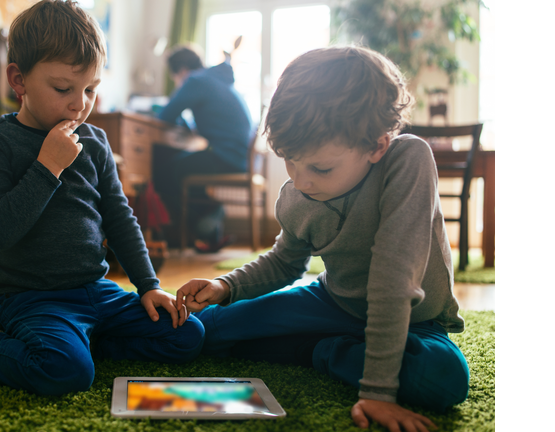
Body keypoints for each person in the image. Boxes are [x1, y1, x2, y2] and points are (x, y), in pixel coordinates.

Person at [175, 46, 470, 431]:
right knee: (206, 330)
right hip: (332, 302)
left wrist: (378, 392)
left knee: (443, 378)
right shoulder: (298, 193)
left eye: (320, 167)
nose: (300, 180)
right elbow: (285, 262)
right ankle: (114, 326)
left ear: (376, 146)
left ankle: (322, 350)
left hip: (417, 322)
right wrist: (225, 285)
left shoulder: (408, 159)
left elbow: (394, 278)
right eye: (288, 160)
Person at [0, 0, 204, 396]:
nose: (79, 104)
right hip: (33, 298)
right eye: (63, 88)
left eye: (90, 90)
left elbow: (119, 218)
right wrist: (48, 166)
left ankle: (89, 343)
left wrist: (148, 285)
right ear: (19, 80)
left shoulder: (96, 142)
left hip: (96, 291)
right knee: (64, 371)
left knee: (187, 334)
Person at [153, 45, 253, 252]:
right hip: (239, 157)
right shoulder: (217, 80)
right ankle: (208, 224)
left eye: (175, 79)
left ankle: (193, 230)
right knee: (185, 167)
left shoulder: (195, 80)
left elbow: (166, 115)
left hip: (225, 156)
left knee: (163, 172)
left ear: (181, 71)